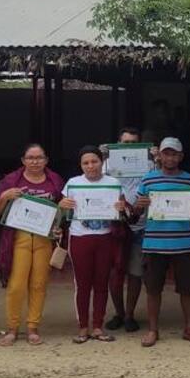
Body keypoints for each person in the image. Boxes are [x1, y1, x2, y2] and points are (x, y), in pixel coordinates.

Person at [133, 137, 190, 347]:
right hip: (154, 243)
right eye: (166, 153)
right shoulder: (148, 180)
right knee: (153, 289)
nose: (170, 157)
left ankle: (189, 328)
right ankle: (152, 330)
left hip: (184, 243)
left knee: (188, 289)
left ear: (181, 156)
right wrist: (139, 204)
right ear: (160, 156)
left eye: (174, 153)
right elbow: (136, 212)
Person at [0, 143, 66, 346]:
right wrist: (5, 196)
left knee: (39, 284)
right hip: (19, 238)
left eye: (39, 158)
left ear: (46, 160)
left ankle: (33, 327)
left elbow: (62, 209)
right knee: (16, 285)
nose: (35, 162)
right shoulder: (11, 180)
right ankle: (12, 328)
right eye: (31, 158)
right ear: (23, 160)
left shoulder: (55, 180)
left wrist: (60, 224)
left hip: (44, 238)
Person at [60, 146, 127, 344]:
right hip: (80, 236)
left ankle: (97, 326)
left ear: (101, 162)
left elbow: (122, 210)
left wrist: (121, 208)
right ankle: (82, 327)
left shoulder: (113, 183)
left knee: (101, 283)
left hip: (105, 236)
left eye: (94, 161)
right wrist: (62, 206)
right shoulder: (73, 183)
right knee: (82, 284)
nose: (90, 166)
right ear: (81, 165)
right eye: (85, 163)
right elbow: (65, 213)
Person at [105, 127, 148, 333]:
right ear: (118, 144)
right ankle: (118, 313)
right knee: (115, 273)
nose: (129, 147)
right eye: (125, 143)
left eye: (134, 143)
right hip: (114, 228)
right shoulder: (105, 164)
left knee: (135, 273)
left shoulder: (149, 165)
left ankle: (130, 315)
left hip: (140, 226)